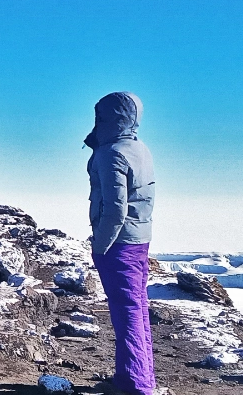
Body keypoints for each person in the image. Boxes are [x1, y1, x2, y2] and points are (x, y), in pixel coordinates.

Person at [86, 92, 157, 395]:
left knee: (125, 311)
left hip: (119, 244)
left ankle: (135, 386)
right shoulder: (140, 148)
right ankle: (137, 378)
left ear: (110, 117)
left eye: (100, 115)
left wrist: (99, 246)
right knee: (137, 308)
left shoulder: (110, 152)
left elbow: (115, 209)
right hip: (140, 239)